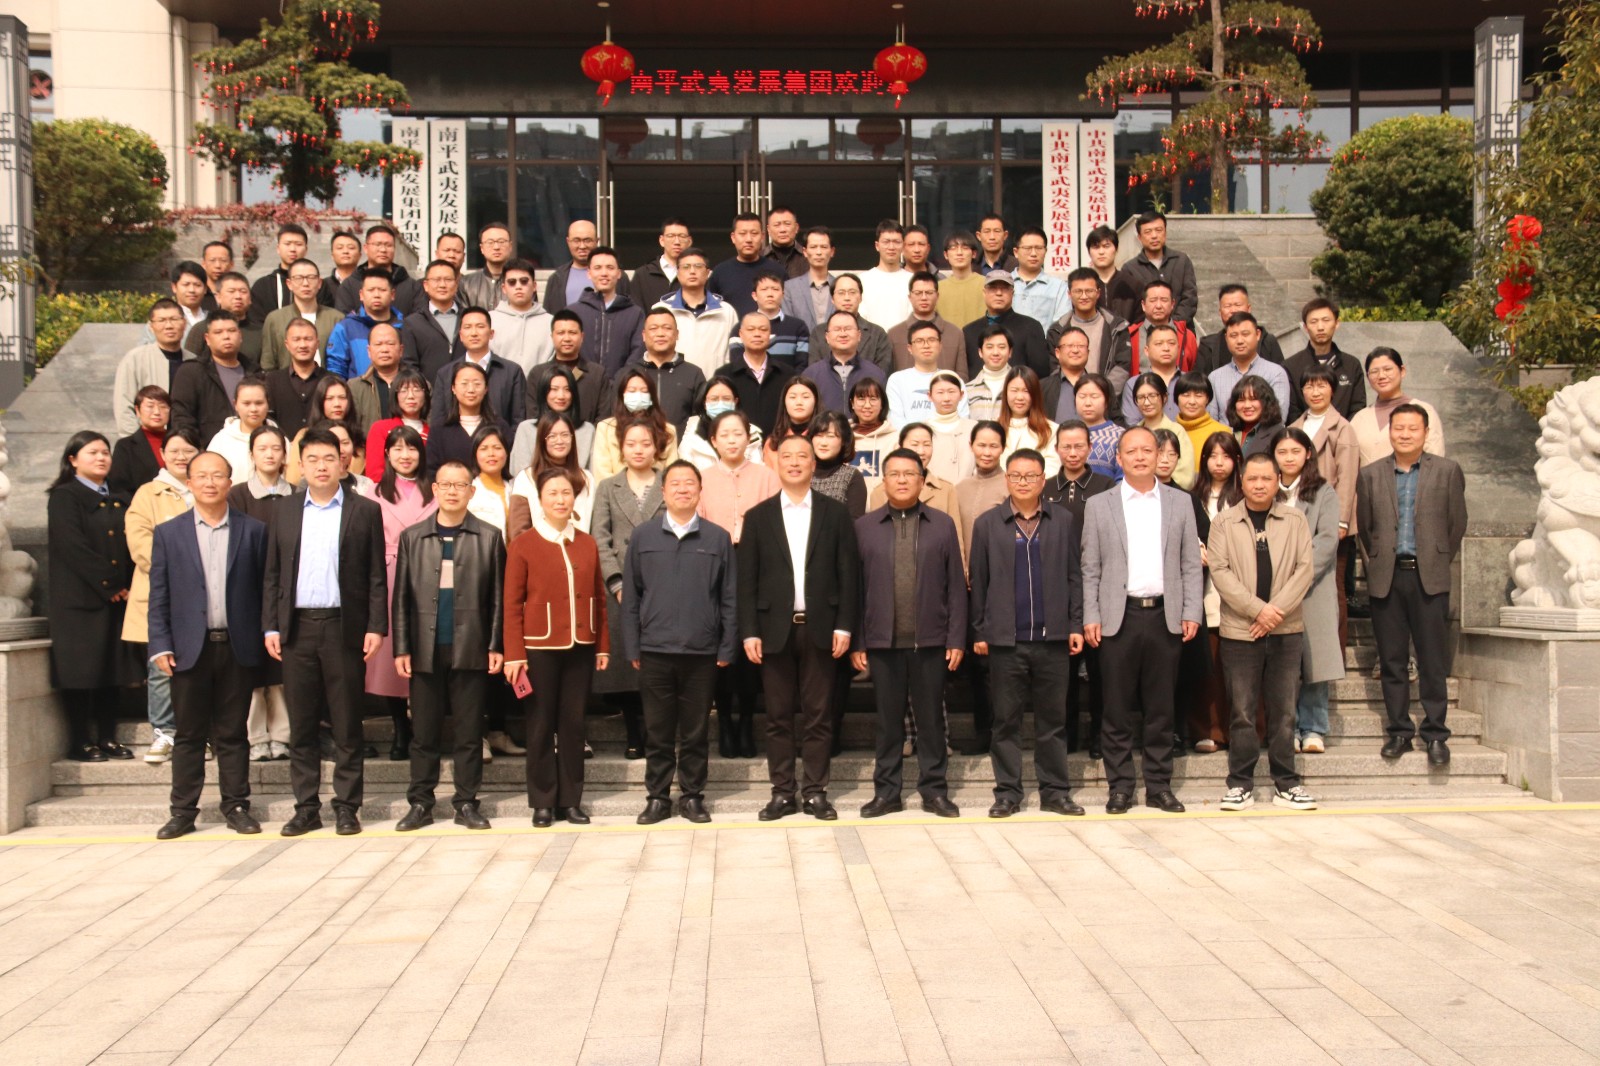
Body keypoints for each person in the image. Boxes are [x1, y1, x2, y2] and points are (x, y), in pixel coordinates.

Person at [263, 426, 388, 838]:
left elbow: (375, 575)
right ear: (300, 465)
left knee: (347, 722)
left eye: (329, 459)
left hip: (343, 627)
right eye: (312, 459)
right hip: (297, 628)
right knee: (302, 724)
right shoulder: (284, 510)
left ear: (343, 462)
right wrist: (271, 625)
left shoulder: (364, 510)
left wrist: (376, 626)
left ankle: (347, 807)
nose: (321, 466)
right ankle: (306, 808)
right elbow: (272, 573)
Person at [1081, 427, 1205, 814]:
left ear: (1159, 456)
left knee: (1160, 708)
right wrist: (1091, 614)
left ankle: (1159, 786)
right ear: (1118, 458)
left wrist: (1191, 610)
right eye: (1131, 451)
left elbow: (1190, 563)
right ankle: (1120, 787)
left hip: (1165, 615)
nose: (1139, 457)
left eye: (1147, 450)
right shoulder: (1099, 505)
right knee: (1115, 708)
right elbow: (1090, 566)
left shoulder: (1179, 502)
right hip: (1118, 617)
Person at [145, 450, 269, 838]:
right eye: (202, 476)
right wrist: (160, 644)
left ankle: (236, 806)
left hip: (237, 646)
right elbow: (159, 594)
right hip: (187, 649)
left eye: (218, 475)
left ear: (230, 483)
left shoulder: (254, 531)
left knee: (233, 733)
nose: (210, 482)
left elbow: (265, 590)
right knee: (188, 735)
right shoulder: (169, 533)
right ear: (190, 483)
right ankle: (183, 812)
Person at [738, 435, 860, 821]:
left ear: (813, 464)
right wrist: (749, 630)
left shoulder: (835, 513)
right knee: (777, 716)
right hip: (773, 630)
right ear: (776, 463)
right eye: (787, 456)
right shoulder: (758, 516)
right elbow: (746, 580)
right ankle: (782, 792)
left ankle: (815, 792)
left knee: (818, 716)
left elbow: (849, 574)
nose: (794, 462)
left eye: (801, 456)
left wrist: (845, 625)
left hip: (821, 628)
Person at [969, 449, 1086, 817]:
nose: (1023, 482)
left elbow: (1074, 576)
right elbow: (979, 582)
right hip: (1006, 641)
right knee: (1006, 722)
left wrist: (1075, 624)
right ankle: (1007, 793)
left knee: (1053, 721)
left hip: (1053, 640)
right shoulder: (987, 524)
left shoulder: (1062, 520)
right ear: (1007, 479)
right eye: (1016, 476)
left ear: (1042, 480)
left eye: (1031, 476)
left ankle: (1055, 792)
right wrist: (979, 631)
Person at [391, 460, 505, 833]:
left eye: (460, 485)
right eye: (446, 485)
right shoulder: (413, 537)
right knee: (424, 733)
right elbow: (401, 599)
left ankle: (466, 802)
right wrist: (402, 647)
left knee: (469, 733)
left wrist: (495, 644)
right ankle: (420, 803)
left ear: (472, 491)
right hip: (425, 648)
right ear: (435, 490)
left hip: (471, 646)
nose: (453, 491)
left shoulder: (489, 537)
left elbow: (498, 599)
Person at [853, 449, 966, 818]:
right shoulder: (864, 527)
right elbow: (855, 589)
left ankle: (934, 791)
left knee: (931, 721)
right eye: (894, 474)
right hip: (882, 642)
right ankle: (887, 793)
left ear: (922, 480)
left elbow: (955, 585)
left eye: (909, 474)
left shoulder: (942, 524)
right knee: (888, 724)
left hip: (930, 641)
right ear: (884, 481)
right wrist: (859, 640)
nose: (902, 480)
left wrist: (956, 638)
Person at [626, 461, 739, 825]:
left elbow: (729, 597)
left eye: (689, 483)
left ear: (699, 490)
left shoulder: (717, 538)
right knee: (657, 732)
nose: (682, 489)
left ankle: (692, 797)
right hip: (654, 651)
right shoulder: (642, 537)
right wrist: (633, 646)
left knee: (695, 732)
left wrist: (727, 646)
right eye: (675, 483)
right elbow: (632, 597)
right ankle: (658, 798)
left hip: (701, 651)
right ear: (663, 492)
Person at [1208, 451, 1318, 811]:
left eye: (1266, 479)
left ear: (1277, 482)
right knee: (1242, 711)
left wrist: (1274, 613)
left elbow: (1304, 569)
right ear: (1242, 482)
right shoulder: (1224, 522)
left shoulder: (1295, 519)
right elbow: (1220, 572)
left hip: (1286, 630)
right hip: (1240, 631)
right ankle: (1240, 783)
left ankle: (1287, 783)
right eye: (1252, 479)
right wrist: (1258, 610)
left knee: (1284, 712)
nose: (1259, 485)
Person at [1357, 404, 1466, 766]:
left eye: (1412, 428)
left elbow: (1456, 524)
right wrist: (1378, 562)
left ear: (1425, 433)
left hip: (1428, 577)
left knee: (1432, 660)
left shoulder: (1447, 471)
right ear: (1389, 432)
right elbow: (1366, 527)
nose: (1404, 434)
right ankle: (1400, 731)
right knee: (1392, 660)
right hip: (1387, 578)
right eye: (1398, 428)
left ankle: (1435, 733)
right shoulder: (1370, 474)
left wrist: (1436, 558)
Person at [503, 468, 611, 827]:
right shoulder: (523, 544)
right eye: (553, 493)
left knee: (573, 725)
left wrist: (602, 645)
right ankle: (542, 801)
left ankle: (570, 801)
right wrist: (514, 654)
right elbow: (511, 604)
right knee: (540, 724)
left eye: (566, 493)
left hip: (580, 646)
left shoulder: (587, 542)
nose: (561, 500)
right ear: (540, 500)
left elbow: (598, 598)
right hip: (538, 648)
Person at [48, 433, 139, 762]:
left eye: (105, 452)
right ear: (73, 460)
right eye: (92, 452)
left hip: (117, 598)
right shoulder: (64, 496)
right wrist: (110, 583)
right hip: (80, 602)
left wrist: (126, 585)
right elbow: (73, 546)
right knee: (80, 672)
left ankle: (107, 737)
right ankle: (80, 741)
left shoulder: (119, 495)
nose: (101, 458)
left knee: (111, 671)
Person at [695, 410, 781, 758]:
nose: (732, 440)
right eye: (724, 435)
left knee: (750, 642)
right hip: (714, 564)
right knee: (720, 644)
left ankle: (746, 721)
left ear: (749, 438)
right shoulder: (701, 478)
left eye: (738, 433)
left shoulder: (767, 477)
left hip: (757, 564)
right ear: (713, 441)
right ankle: (725, 723)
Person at [591, 416, 669, 760]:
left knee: (656, 664)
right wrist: (616, 581)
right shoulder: (608, 487)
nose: (639, 450)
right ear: (621, 449)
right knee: (625, 665)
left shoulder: (669, 482)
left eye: (646, 443)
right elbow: (600, 537)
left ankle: (655, 731)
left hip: (662, 588)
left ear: (657, 448)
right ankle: (633, 732)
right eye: (631, 444)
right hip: (619, 588)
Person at [122, 428, 201, 765]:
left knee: (199, 666)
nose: (181, 456)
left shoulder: (206, 488)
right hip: (161, 592)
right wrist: (178, 571)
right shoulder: (147, 494)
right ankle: (165, 732)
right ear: (163, 455)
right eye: (174, 451)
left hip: (202, 596)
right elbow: (139, 540)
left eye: (188, 450)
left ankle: (197, 732)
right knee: (160, 666)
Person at [361, 425, 437, 760]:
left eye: (412, 448)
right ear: (387, 454)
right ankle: (399, 727)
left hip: (428, 573)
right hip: (389, 573)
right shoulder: (374, 493)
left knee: (424, 649)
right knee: (392, 654)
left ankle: (423, 723)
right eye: (398, 449)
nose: (405, 455)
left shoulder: (435, 490)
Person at [1045, 421, 1117, 755]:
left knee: (1101, 670)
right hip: (1059, 588)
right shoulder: (1046, 488)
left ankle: (1100, 737)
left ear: (1090, 448)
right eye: (1066, 446)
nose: (1072, 453)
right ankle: (1068, 736)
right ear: (1057, 449)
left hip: (1100, 586)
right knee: (1064, 671)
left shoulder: (1106, 486)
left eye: (1079, 446)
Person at [1272, 428, 1343, 755]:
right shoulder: (1266, 488)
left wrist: (1297, 577)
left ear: (1308, 455)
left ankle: (1314, 727)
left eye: (1295, 451)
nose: (1288, 458)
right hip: (1273, 589)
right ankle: (1286, 727)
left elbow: (1326, 540)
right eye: (1282, 452)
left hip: (1313, 587)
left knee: (1315, 661)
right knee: (1282, 665)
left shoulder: (1323, 491)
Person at [227, 426, 294, 762]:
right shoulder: (237, 495)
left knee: (281, 666)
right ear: (251, 454)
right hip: (249, 589)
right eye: (262, 448)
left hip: (288, 589)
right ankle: (255, 736)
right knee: (252, 665)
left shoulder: (296, 493)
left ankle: (282, 734)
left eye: (275, 448)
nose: (269, 454)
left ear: (284, 454)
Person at [1291, 365, 1360, 646]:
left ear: (1333, 390)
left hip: (1329, 519)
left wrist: (1341, 520)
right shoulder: (1294, 427)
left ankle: (1335, 652)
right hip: (1299, 517)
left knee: (1333, 587)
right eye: (1309, 386)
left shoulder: (1342, 427)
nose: (1315, 392)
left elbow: (1348, 476)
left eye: (1321, 385)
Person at [1185, 431, 1244, 755]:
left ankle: (1239, 730)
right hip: (1203, 590)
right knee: (1206, 666)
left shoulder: (1245, 495)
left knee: (1235, 669)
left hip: (1238, 588)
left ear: (1237, 461)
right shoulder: (1191, 497)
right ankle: (1207, 729)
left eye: (1226, 456)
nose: (1219, 463)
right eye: (1212, 456)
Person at [429, 307, 527, 432]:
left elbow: (519, 421)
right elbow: (437, 420)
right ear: (461, 335)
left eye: (480, 326)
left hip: (500, 442)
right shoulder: (446, 373)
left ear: (491, 333)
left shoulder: (511, 371)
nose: (474, 333)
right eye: (467, 327)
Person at [1045, 267, 1133, 399]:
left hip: (1107, 399)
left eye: (1089, 291)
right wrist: (1076, 396)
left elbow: (1122, 366)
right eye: (1078, 291)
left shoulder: (1116, 327)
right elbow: (1055, 369)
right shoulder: (1057, 330)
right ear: (1069, 294)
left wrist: (1101, 395)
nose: (1084, 296)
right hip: (1069, 398)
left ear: (1098, 293)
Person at [1348, 348, 1445, 466]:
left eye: (1387, 369)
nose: (1381, 376)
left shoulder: (1424, 410)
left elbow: (1435, 459)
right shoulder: (1359, 418)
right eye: (1374, 371)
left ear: (1402, 371)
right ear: (1368, 377)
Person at [171, 312, 256, 443]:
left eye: (231, 331)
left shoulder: (255, 372)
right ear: (207, 339)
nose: (226, 336)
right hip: (207, 450)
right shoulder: (191, 372)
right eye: (218, 332)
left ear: (240, 335)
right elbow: (182, 418)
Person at [113, 300, 192, 438]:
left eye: (174, 319)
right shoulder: (134, 359)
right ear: (151, 326)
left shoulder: (194, 361)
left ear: (184, 323)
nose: (169, 326)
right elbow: (123, 407)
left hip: (186, 441)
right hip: (147, 440)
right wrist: (137, 442)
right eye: (161, 320)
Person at [511, 411, 596, 537]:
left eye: (565, 435)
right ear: (542, 440)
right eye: (552, 436)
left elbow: (595, 527)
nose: (559, 441)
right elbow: (519, 532)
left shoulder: (587, 479)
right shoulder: (526, 478)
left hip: (580, 548)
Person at [658, 247, 739, 378]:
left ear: (708, 273)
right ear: (677, 273)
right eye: (686, 267)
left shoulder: (726, 311)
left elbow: (734, 355)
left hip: (715, 386)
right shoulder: (662, 310)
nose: (692, 271)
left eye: (698, 266)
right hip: (673, 384)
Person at [590, 368, 680, 484]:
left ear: (652, 396)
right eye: (632, 391)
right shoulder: (605, 428)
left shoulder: (667, 430)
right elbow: (602, 473)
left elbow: (672, 474)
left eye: (644, 391)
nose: (638, 395)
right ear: (622, 395)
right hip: (614, 493)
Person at [524, 309, 609, 429]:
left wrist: (586, 435)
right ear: (552, 336)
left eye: (572, 333)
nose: (567, 338)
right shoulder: (538, 374)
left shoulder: (597, 374)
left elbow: (604, 418)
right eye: (561, 333)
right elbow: (533, 417)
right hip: (547, 438)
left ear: (582, 336)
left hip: (588, 439)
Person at [1284, 297, 1365, 422]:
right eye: (1314, 322)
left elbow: (1357, 408)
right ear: (1305, 327)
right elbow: (1292, 412)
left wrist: (1341, 430)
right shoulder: (1291, 366)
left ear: (1337, 323)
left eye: (1326, 320)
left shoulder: (1351, 364)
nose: (1320, 327)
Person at [629, 307, 707, 434]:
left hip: (682, 445)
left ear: (677, 334)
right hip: (638, 445)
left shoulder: (694, 375)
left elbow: (701, 421)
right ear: (644, 335)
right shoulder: (628, 374)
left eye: (667, 328)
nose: (660, 333)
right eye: (653, 328)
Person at [426, 361, 509, 479]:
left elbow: (508, 467)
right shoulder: (439, 429)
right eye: (464, 384)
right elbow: (430, 471)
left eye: (477, 384)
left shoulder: (500, 427)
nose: (471, 389)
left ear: (486, 388)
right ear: (453, 388)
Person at [568, 248, 644, 375]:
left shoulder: (635, 314)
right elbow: (567, 353)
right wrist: (582, 381)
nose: (604, 273)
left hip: (622, 384)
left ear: (619, 273)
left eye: (610, 268)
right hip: (581, 384)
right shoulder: (573, 312)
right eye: (597, 268)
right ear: (589, 273)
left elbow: (637, 354)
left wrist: (620, 381)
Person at [961, 272, 1051, 379]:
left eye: (1004, 289)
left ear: (1012, 293)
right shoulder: (969, 331)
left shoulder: (1031, 327)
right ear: (984, 293)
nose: (999, 293)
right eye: (993, 288)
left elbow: (1041, 373)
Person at [261, 259, 345, 373]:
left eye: (311, 278)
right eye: (298, 278)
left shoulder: (336, 318)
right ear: (289, 284)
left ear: (319, 283)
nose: (305, 283)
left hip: (327, 381)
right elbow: (268, 363)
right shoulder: (275, 319)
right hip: (286, 382)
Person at [1115, 211, 1198, 325]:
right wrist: (1152, 329)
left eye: (1158, 230)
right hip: (1146, 333)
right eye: (1148, 232)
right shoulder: (1130, 269)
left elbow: (1190, 298)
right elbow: (1131, 307)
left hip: (1181, 330)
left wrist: (1172, 326)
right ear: (1139, 237)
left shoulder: (1181, 261)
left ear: (1165, 233)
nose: (1154, 236)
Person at [1207, 312, 1292, 422]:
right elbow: (1211, 421)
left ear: (1258, 335)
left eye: (1245, 334)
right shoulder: (1215, 377)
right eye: (1233, 336)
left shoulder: (1276, 373)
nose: (1240, 341)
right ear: (1226, 338)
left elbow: (1278, 419)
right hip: (1225, 433)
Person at [511, 363, 594, 475]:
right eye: (554, 389)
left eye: (567, 389)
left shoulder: (587, 430)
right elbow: (519, 472)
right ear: (544, 392)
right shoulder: (526, 429)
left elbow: (591, 473)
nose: (561, 396)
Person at [721, 312, 794, 437]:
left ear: (770, 335)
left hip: (778, 443)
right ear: (741, 334)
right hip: (737, 443)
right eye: (751, 329)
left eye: (763, 329)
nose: (757, 334)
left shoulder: (788, 374)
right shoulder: (724, 375)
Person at [803, 310, 889, 415]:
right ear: (827, 337)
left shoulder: (875, 374)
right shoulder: (811, 374)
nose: (843, 334)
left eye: (848, 329)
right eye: (837, 329)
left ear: (859, 335)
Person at [806, 273, 893, 374]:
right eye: (841, 293)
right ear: (832, 299)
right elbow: (814, 372)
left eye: (852, 292)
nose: (847, 298)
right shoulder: (818, 332)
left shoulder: (877, 334)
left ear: (860, 297)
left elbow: (881, 373)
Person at [326, 269, 403, 380]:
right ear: (361, 295)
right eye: (371, 290)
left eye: (382, 290)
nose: (376, 295)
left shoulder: (405, 327)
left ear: (392, 294)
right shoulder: (346, 328)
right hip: (357, 390)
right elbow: (336, 369)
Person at [1195, 284, 1287, 376]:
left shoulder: (1268, 341)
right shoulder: (1208, 345)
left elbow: (1280, 374)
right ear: (1220, 312)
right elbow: (1199, 380)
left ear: (1248, 308)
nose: (1233, 310)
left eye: (1238, 305)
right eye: (1227, 306)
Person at [886, 320, 965, 427]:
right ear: (910, 348)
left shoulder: (953, 379)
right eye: (919, 341)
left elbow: (963, 418)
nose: (926, 345)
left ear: (940, 346)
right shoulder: (897, 380)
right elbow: (896, 420)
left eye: (932, 340)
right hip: (908, 437)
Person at [400, 258, 468, 383]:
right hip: (430, 392)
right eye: (436, 280)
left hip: (467, 390)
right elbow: (410, 366)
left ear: (456, 284)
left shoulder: (468, 318)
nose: (442, 285)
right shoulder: (413, 323)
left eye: (448, 280)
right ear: (426, 285)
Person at [285, 376, 362, 484]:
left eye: (342, 397)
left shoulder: (359, 440)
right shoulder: (305, 435)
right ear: (320, 402)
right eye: (329, 398)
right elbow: (294, 479)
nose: (337, 404)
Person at [730, 270, 810, 372]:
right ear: (754, 296)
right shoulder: (741, 328)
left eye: (775, 289)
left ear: (783, 295)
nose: (770, 294)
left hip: (789, 381)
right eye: (764, 289)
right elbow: (737, 365)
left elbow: (802, 366)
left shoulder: (798, 327)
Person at [265, 319, 333, 439]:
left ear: (317, 343)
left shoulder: (332, 380)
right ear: (287, 344)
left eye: (308, 339)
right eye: (296, 339)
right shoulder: (272, 381)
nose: (303, 345)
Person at [1127, 372, 1196, 489]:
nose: (1147, 402)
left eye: (1152, 396)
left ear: (1164, 397)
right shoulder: (1132, 435)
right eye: (1141, 397)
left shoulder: (1177, 431)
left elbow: (1185, 478)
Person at [487, 258, 555, 375]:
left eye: (524, 281)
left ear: (534, 286)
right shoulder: (489, 320)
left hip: (540, 385)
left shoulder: (551, 322)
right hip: (500, 385)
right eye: (512, 282)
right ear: (504, 288)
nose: (518, 286)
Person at [362, 367, 431, 482]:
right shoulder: (381, 429)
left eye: (417, 389)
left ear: (425, 395)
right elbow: (375, 474)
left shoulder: (433, 433)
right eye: (404, 390)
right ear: (395, 395)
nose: (411, 396)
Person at [887, 272, 964, 373]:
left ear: (937, 296)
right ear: (910, 297)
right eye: (918, 293)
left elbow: (962, 375)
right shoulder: (894, 334)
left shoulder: (955, 333)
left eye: (929, 293)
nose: (924, 298)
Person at [680, 377, 762, 470]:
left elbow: (757, 469)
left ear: (735, 401)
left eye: (726, 399)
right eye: (714, 399)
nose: (720, 404)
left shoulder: (751, 433)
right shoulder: (691, 434)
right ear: (704, 403)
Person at [709, 212, 780, 318]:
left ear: (762, 237)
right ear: (733, 237)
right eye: (742, 234)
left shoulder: (777, 270)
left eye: (754, 233)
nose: (748, 239)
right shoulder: (720, 272)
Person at [955, 420, 1009, 556]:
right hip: (963, 565)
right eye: (981, 445)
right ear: (971, 446)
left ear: (1003, 448)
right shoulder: (960, 488)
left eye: (994, 446)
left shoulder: (1010, 486)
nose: (987, 452)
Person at [332, 224, 413, 315]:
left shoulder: (412, 286)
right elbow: (343, 319)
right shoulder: (348, 286)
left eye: (388, 245)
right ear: (366, 248)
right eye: (378, 244)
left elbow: (419, 319)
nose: (383, 250)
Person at [206, 375, 273, 484]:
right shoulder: (221, 441)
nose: (253, 409)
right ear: (235, 405)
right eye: (246, 403)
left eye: (259, 403)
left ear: (268, 404)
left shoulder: (279, 439)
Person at [183, 272, 262, 363]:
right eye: (231, 291)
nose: (238, 296)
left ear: (250, 298)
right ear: (218, 297)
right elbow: (189, 365)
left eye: (243, 291)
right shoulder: (201, 328)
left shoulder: (260, 332)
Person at [999, 367, 1060, 478]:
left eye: (1026, 391)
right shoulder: (993, 429)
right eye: (1014, 390)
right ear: (1005, 393)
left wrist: (1023, 482)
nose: (1020, 397)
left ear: (1035, 394)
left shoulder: (1051, 430)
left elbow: (1052, 470)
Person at [110, 386, 171, 496]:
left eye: (163, 406)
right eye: (150, 406)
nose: (157, 412)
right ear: (137, 410)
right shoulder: (125, 446)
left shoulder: (179, 442)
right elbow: (119, 488)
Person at [1128, 281, 1198, 375]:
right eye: (1153, 300)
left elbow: (1193, 372)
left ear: (1172, 304)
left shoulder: (1187, 336)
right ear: (1143, 305)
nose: (1158, 306)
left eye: (1164, 300)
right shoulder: (1131, 336)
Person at [808, 410, 868, 519]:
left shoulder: (852, 476)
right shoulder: (803, 473)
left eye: (831, 436)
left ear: (844, 441)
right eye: (819, 435)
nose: (823, 443)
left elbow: (855, 523)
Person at [1009, 228, 1072, 331]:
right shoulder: (1003, 284)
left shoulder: (1059, 287)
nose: (1033, 253)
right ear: (1016, 252)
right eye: (1028, 248)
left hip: (1045, 341)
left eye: (1039, 248)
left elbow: (1061, 325)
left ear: (1045, 251)